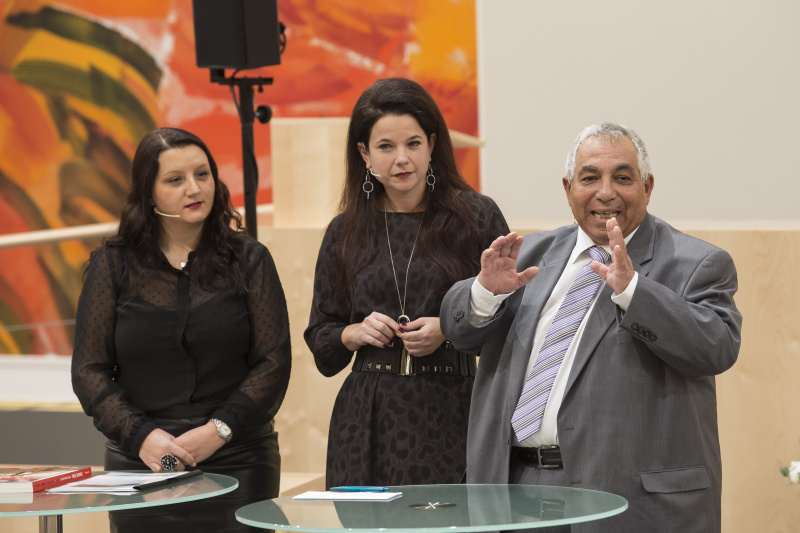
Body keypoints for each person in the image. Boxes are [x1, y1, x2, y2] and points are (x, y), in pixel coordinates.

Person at [440, 123, 742, 532]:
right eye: (589, 178)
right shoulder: (531, 253)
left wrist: (634, 292)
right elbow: (460, 332)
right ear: (568, 188)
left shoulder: (696, 263)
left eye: (622, 177)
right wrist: (484, 293)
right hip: (514, 489)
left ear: (647, 186)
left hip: (626, 502)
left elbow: (716, 347)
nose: (606, 192)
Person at [71, 127, 291, 532]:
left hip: (238, 456)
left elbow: (273, 363)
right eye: (176, 179)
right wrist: (141, 437)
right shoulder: (112, 265)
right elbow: (88, 372)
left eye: (202, 174)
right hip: (140, 461)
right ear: (147, 192)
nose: (195, 188)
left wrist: (216, 431)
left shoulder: (251, 259)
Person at [304, 78, 509, 488]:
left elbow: (512, 322)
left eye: (413, 144)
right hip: (366, 415)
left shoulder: (476, 218)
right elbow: (321, 340)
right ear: (364, 153)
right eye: (385, 147)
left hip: (453, 407)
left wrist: (449, 332)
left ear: (432, 145)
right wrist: (354, 332)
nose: (402, 159)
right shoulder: (344, 231)